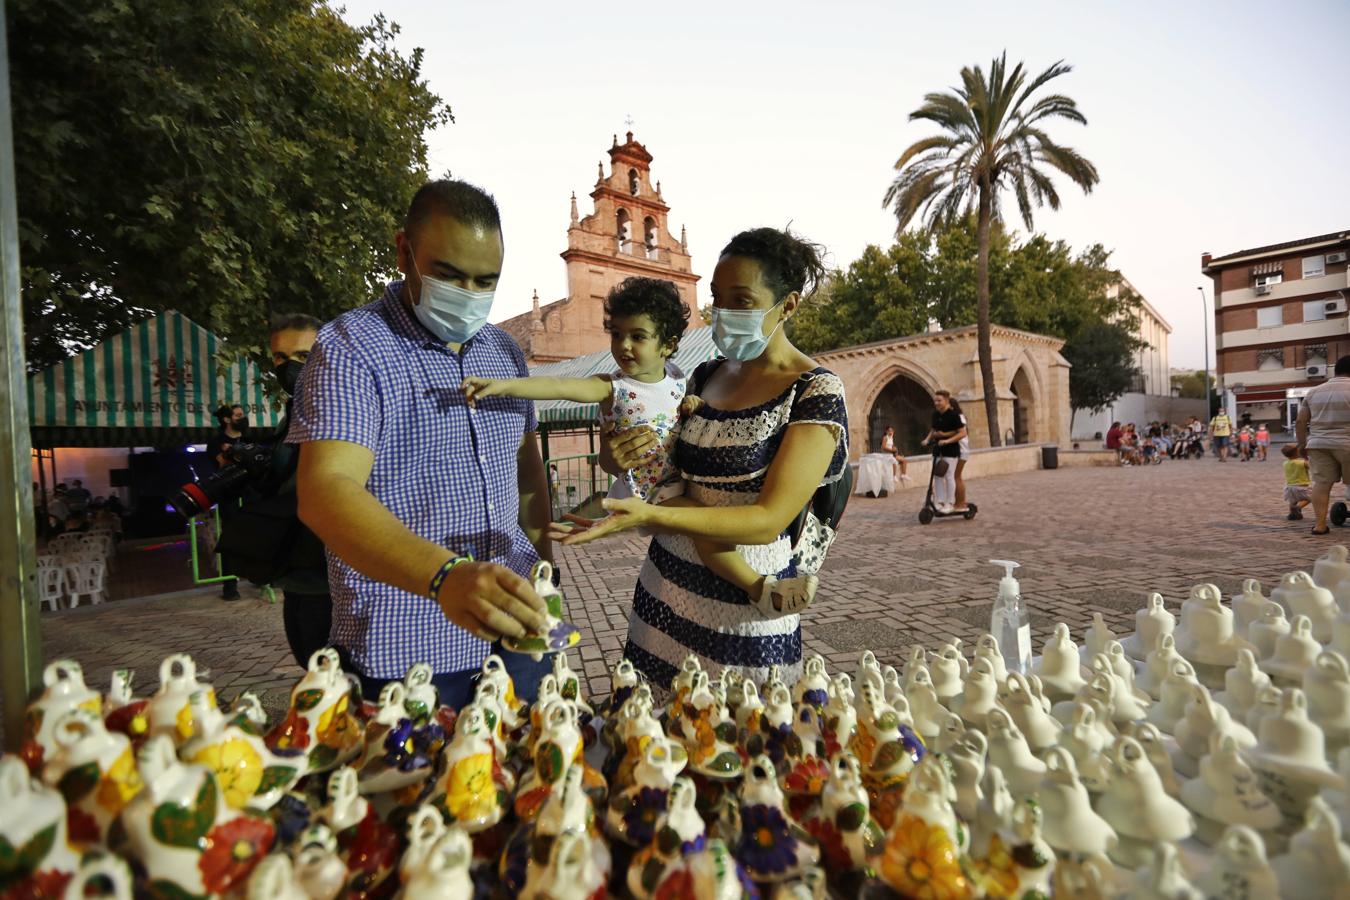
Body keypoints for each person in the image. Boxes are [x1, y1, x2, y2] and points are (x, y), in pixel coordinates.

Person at [290, 179, 552, 709]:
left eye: (486, 281)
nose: (469, 295)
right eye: (450, 276)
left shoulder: (504, 352)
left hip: (516, 639)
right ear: (404, 251)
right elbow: (326, 489)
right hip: (406, 655)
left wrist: (546, 572)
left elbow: (526, 475)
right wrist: (445, 577)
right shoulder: (352, 348)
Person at [552, 227, 850, 686]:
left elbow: (768, 519)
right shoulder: (704, 375)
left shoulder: (814, 391)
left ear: (787, 305)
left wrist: (646, 515)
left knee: (737, 736)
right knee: (649, 737)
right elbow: (655, 463)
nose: (724, 312)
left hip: (747, 607)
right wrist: (615, 458)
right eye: (717, 297)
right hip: (664, 589)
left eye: (742, 300)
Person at [464, 277, 818, 613]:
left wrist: (693, 405)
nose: (624, 346)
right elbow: (558, 385)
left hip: (675, 484)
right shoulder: (612, 387)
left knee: (704, 527)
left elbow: (684, 413)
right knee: (708, 535)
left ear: (667, 345)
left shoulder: (682, 380)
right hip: (650, 493)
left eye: (638, 336)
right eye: (617, 335)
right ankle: (760, 588)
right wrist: (503, 386)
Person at [269, 313, 333, 668]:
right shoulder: (294, 412)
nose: (288, 368)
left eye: (303, 357)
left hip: (333, 575)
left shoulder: (343, 408)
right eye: (280, 358)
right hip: (297, 570)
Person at [1296, 355, 1350, 536]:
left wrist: (1302, 443)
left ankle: (1320, 525)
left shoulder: (1314, 392)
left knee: (1321, 484)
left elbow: (1301, 421)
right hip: (1347, 443)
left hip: (1318, 443)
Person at [205, 404, 247, 601]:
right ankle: (230, 585)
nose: (242, 417)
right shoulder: (216, 442)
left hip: (249, 493)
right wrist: (233, 453)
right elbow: (222, 463)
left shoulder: (248, 439)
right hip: (229, 494)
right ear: (227, 419)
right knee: (230, 539)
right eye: (238, 415)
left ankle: (261, 578)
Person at [925, 390, 965, 512]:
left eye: (939, 400)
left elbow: (962, 433)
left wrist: (948, 441)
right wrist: (927, 439)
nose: (936, 403)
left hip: (951, 451)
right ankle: (940, 502)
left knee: (949, 476)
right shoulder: (935, 414)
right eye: (935, 400)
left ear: (946, 400)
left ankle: (950, 503)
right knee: (937, 476)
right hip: (938, 450)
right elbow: (933, 429)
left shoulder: (953, 415)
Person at [951, 398, 972, 512]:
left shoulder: (959, 418)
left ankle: (960, 503)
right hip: (959, 450)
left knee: (956, 477)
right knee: (955, 477)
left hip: (961, 451)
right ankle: (957, 501)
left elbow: (960, 433)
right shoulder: (958, 417)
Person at [1283, 443, 1312, 521]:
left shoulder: (1285, 463)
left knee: (1293, 501)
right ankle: (1298, 508)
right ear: (1297, 453)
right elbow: (1310, 466)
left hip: (1289, 486)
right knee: (1311, 498)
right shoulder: (1301, 462)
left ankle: (1292, 514)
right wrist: (1307, 459)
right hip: (1301, 485)